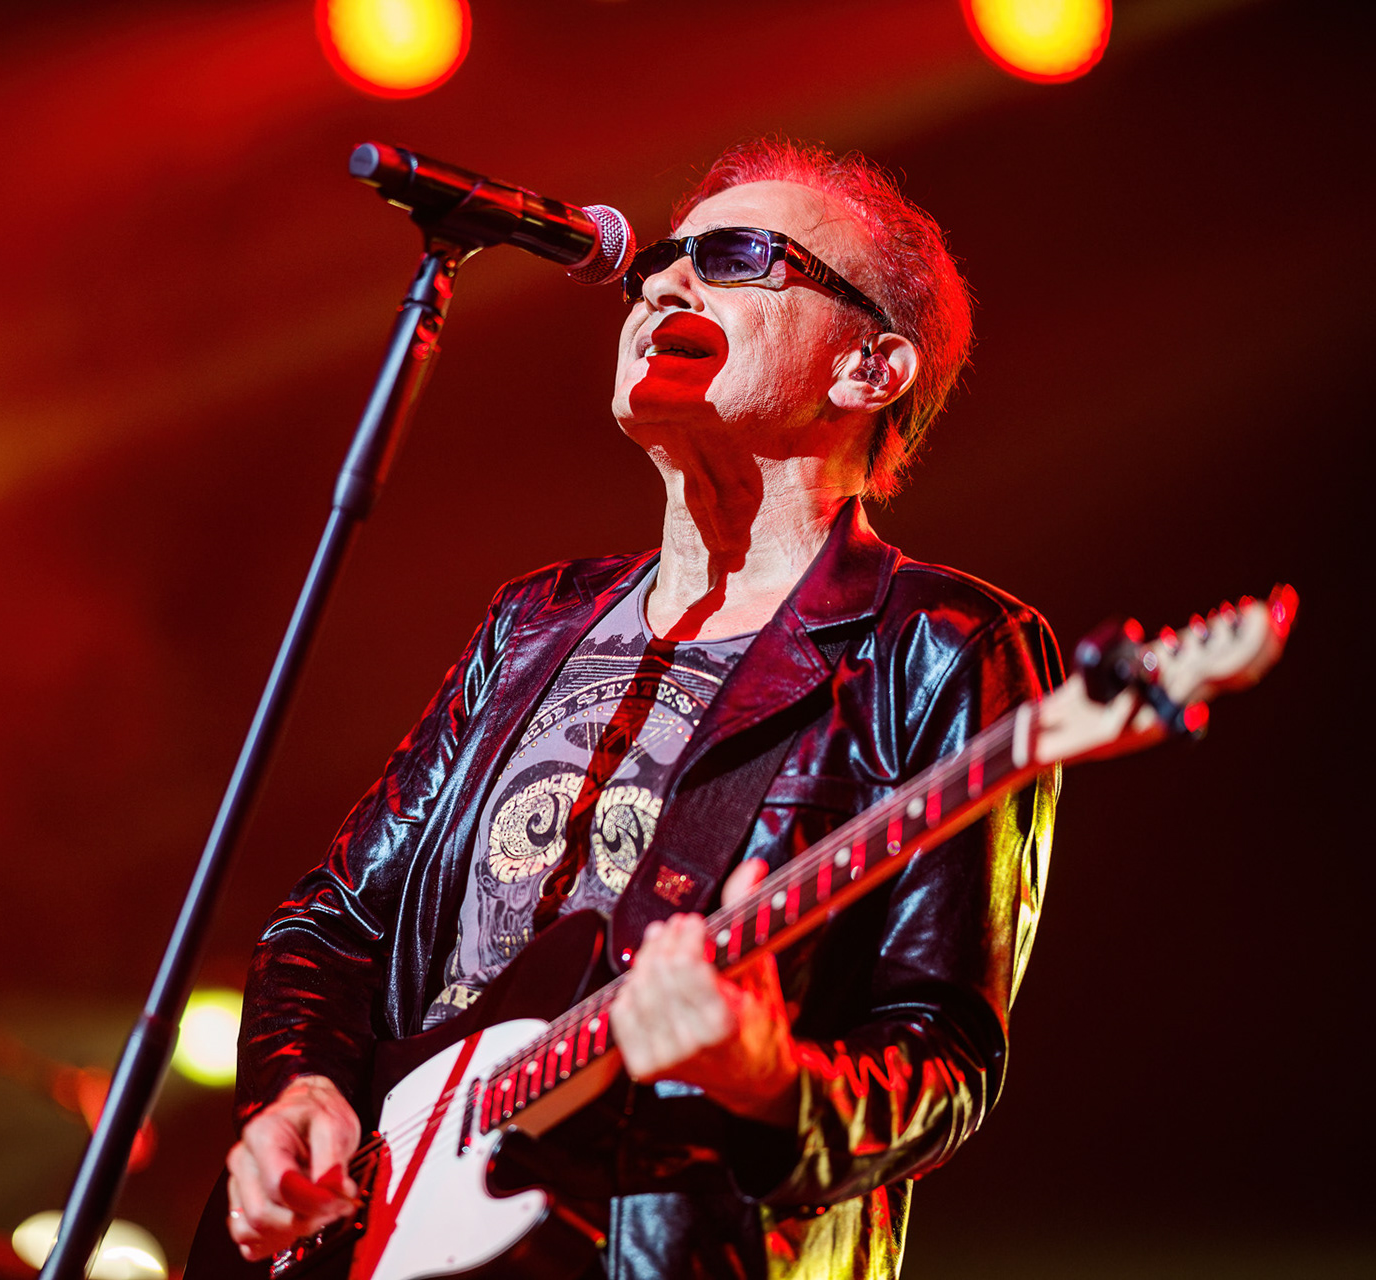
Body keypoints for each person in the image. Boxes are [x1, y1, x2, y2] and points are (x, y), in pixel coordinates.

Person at [222, 137, 1062, 1280]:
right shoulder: (537, 618)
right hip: (377, 1234)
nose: (664, 281)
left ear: (871, 368)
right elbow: (332, 926)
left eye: (737, 256)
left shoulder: (941, 647)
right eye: (662, 260)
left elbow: (942, 1055)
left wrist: (768, 1076)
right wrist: (299, 1089)